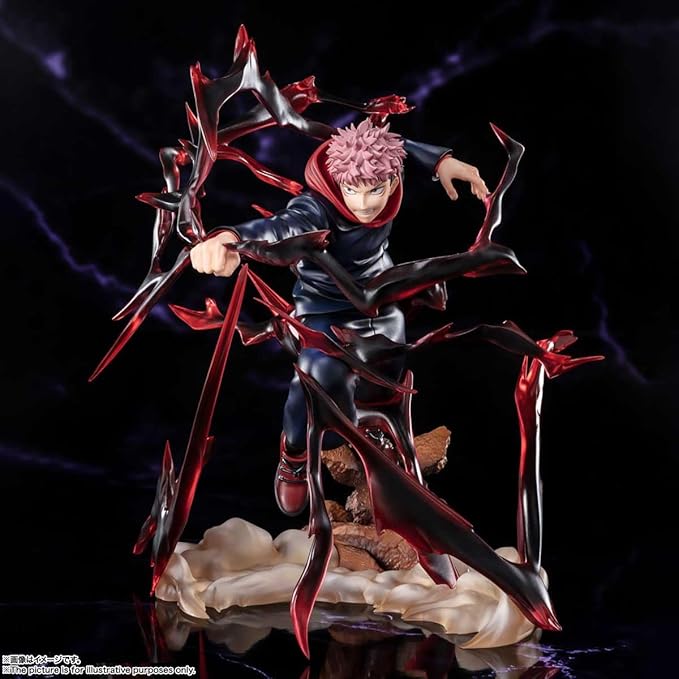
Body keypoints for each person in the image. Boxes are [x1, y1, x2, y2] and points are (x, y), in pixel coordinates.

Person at [189, 118, 489, 516]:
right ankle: (294, 453)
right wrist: (231, 239)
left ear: (392, 182)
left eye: (375, 190)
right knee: (315, 374)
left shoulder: (386, 167)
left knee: (390, 371)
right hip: (323, 310)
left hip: (380, 301)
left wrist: (440, 162)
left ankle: (378, 433)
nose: (363, 204)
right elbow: (280, 227)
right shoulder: (316, 208)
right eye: (352, 191)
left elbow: (397, 145)